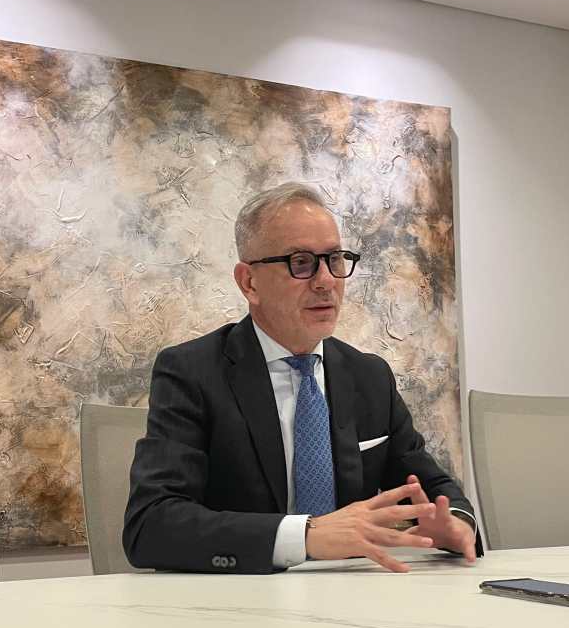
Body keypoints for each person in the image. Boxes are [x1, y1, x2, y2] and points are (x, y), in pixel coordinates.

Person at [123, 182, 483, 574]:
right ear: (249, 282)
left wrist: (455, 525)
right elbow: (151, 525)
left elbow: (433, 490)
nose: (326, 280)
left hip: (353, 595)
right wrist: (305, 536)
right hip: (241, 597)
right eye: (301, 262)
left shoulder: (370, 377)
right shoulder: (192, 372)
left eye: (334, 259)